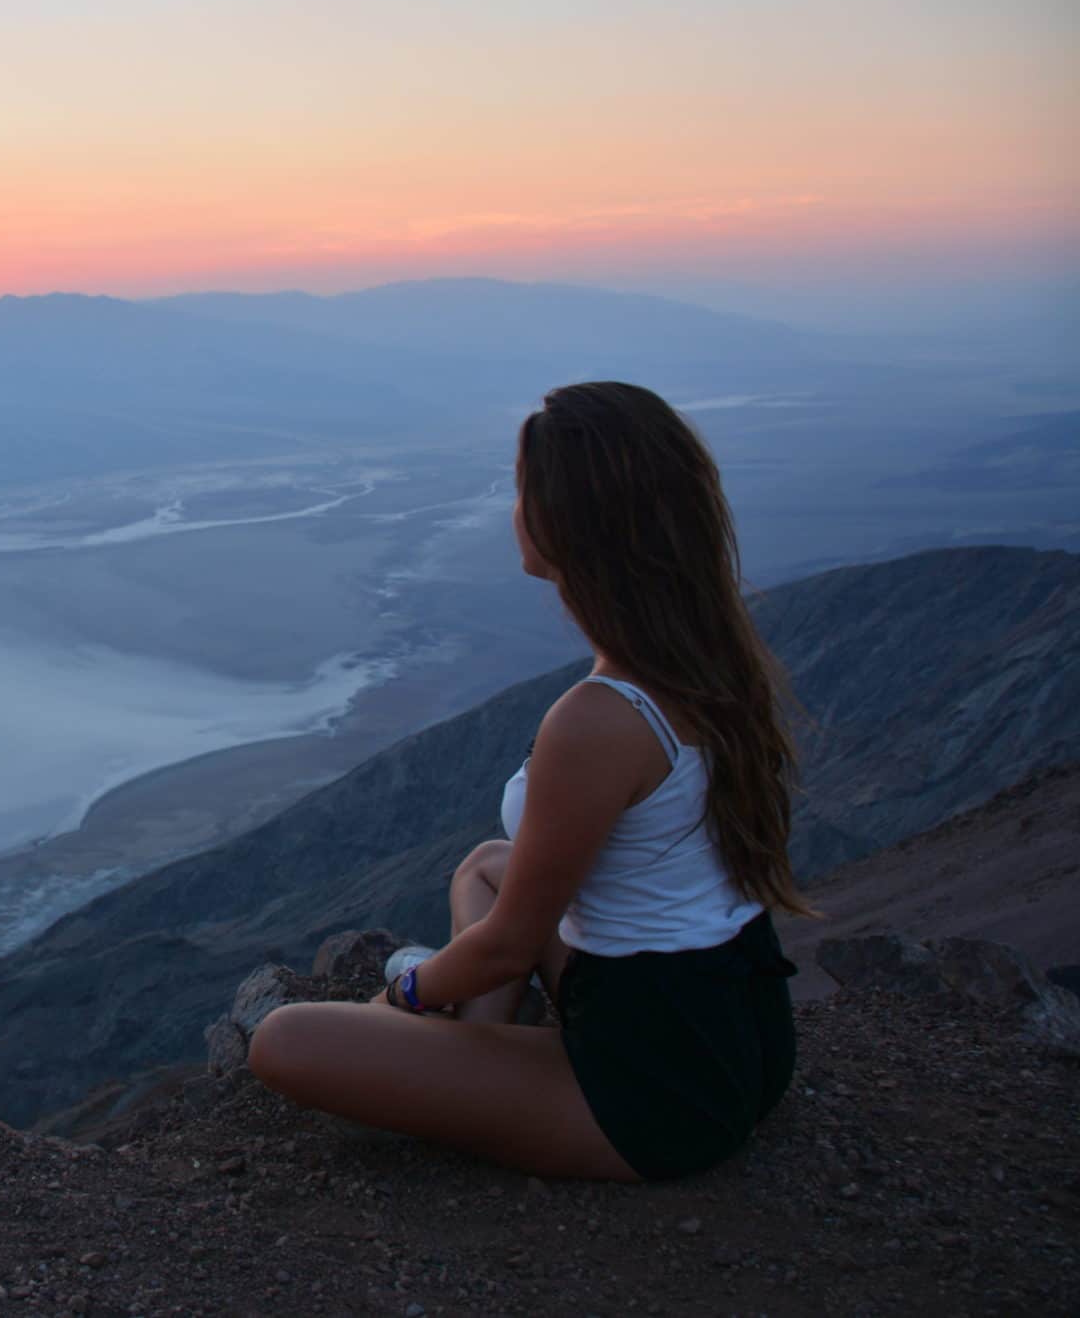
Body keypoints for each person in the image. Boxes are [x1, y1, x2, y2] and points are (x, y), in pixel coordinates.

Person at [246, 381, 807, 1182]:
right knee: (484, 863)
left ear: (565, 522)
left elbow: (508, 946)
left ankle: (451, 1054)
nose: (513, 508)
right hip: (738, 1031)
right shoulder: (702, 660)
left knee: (285, 1041)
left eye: (522, 490)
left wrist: (404, 993)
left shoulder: (600, 717)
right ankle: (469, 1054)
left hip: (662, 1096)